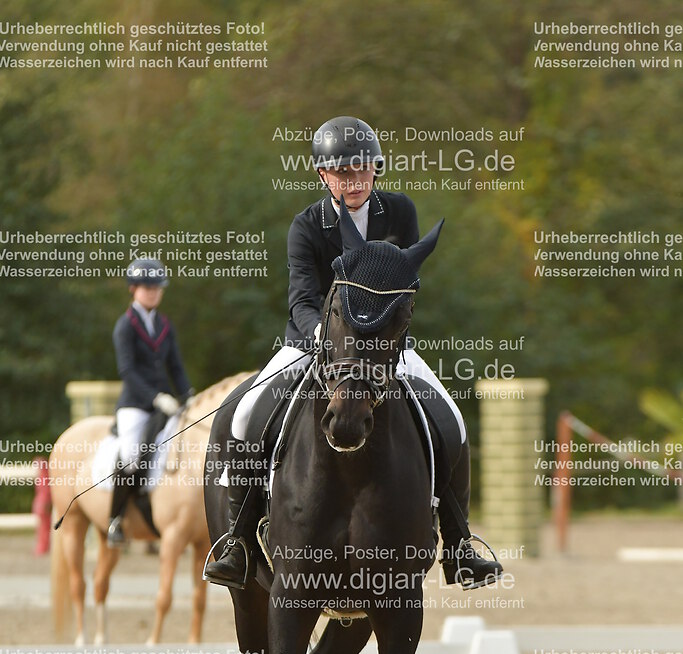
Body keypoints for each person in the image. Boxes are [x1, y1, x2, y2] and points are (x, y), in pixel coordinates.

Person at [204, 116, 502, 589]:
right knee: (240, 417)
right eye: (343, 172)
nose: (355, 179)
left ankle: (460, 544)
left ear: (375, 169)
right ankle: (238, 541)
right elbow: (302, 300)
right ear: (324, 175)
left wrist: (381, 337)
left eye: (363, 169)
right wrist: (326, 339)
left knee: (452, 420)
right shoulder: (306, 226)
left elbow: (403, 285)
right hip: (314, 343)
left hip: (383, 348)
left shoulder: (399, 212)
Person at [107, 257, 193, 548]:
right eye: (148, 287)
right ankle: (115, 517)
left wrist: (188, 395)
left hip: (166, 403)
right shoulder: (125, 326)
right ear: (134, 288)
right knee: (133, 455)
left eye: (157, 287)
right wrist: (155, 397)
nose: (154, 292)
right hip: (136, 404)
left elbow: (176, 367)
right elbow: (127, 371)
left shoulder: (164, 325)